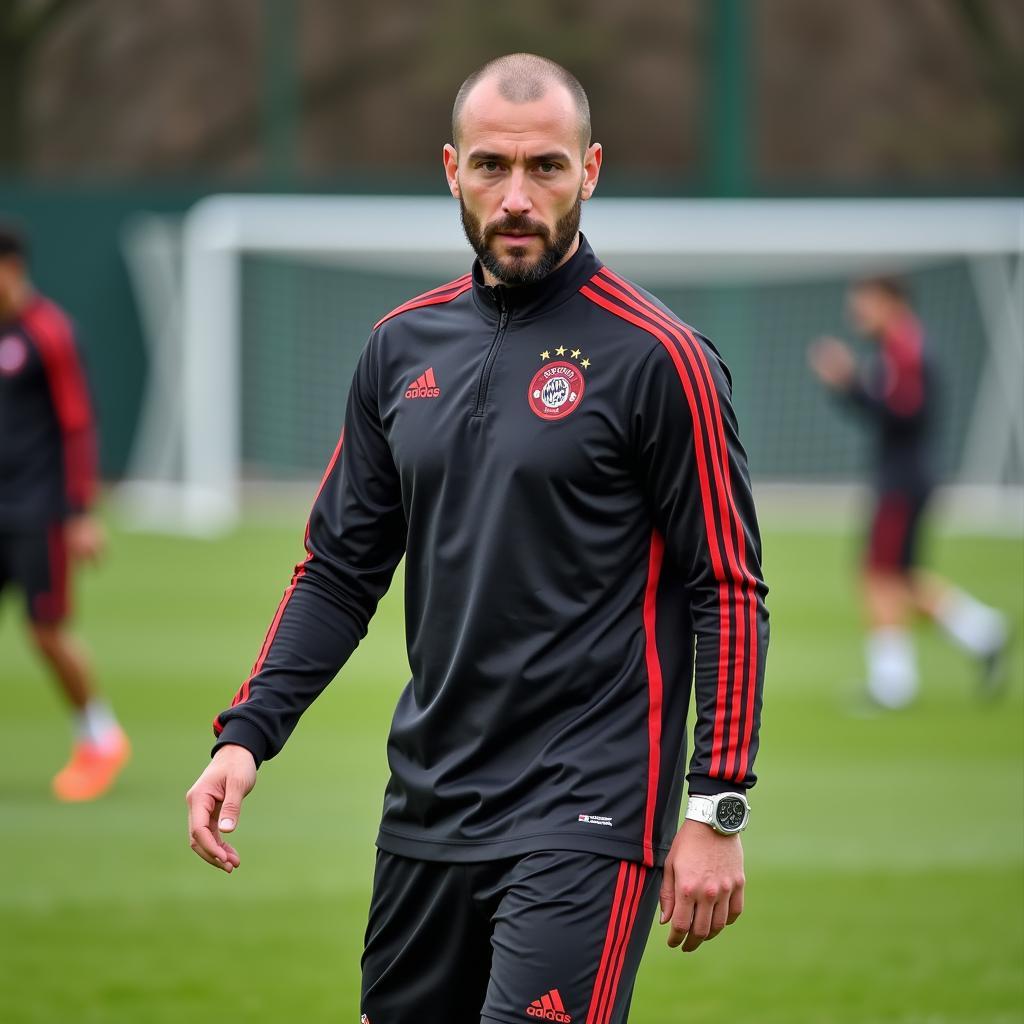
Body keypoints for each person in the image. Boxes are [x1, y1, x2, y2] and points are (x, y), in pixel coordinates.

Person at [187, 53, 769, 1024]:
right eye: (492, 166)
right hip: (429, 803)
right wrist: (247, 735)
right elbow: (339, 569)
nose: (516, 196)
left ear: (590, 170)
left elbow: (727, 587)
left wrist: (716, 805)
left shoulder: (662, 358)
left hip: (588, 804)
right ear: (451, 169)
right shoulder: (398, 348)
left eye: (544, 168)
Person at [808, 276, 1008, 710]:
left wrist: (850, 382)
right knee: (900, 576)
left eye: (864, 302)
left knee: (878, 577)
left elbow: (905, 413)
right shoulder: (898, 349)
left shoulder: (905, 349)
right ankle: (983, 631)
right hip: (905, 476)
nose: (857, 312)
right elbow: (886, 412)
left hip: (902, 480)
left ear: (890, 301)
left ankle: (893, 685)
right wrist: (850, 387)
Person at [0, 223, 129, 799]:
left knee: (45, 630)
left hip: (39, 510)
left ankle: (100, 738)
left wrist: (79, 513)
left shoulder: (48, 332)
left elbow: (77, 424)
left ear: (11, 269)